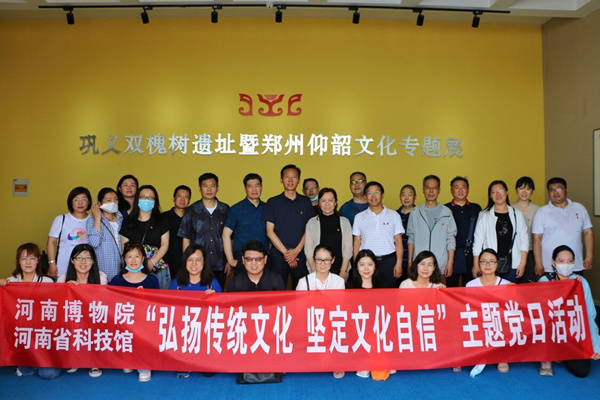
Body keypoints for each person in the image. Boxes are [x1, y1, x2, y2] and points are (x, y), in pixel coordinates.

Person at [538, 245, 600, 377]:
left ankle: (562, 355)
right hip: (552, 331)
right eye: (561, 261)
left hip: (573, 332)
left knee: (581, 371)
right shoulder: (545, 281)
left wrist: (595, 345)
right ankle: (547, 357)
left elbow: (589, 315)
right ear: (553, 262)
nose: (566, 264)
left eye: (570, 261)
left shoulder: (581, 282)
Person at [0, 243, 60, 379]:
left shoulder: (47, 282)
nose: (28, 262)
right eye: (24, 258)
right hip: (20, 333)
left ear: (38, 260)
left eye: (32, 258)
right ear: (18, 261)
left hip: (42, 334)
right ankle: (26, 359)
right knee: (26, 370)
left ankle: (41, 359)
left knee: (49, 374)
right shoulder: (10, 282)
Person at [170, 244, 221, 379]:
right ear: (185, 262)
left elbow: (222, 312)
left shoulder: (212, 284)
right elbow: (168, 310)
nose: (194, 264)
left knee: (209, 372)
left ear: (204, 262)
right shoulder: (176, 284)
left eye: (198, 260)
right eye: (190, 260)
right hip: (183, 332)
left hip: (206, 333)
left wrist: (214, 298)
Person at [110, 242, 159, 382]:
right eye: (129, 256)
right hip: (123, 323)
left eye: (137, 256)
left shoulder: (151, 280)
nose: (133, 260)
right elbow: (110, 304)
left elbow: (158, 306)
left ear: (143, 258)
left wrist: (145, 297)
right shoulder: (117, 280)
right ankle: (128, 358)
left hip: (145, 324)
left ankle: (144, 364)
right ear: (124, 259)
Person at [57, 244, 107, 378]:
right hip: (72, 319)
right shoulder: (63, 279)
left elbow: (103, 303)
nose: (83, 262)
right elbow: (57, 306)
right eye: (79, 258)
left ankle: (94, 361)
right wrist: (66, 290)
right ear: (72, 261)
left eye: (87, 258)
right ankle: (73, 357)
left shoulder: (101, 278)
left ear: (93, 261)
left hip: (93, 318)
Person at [296, 244, 345, 378]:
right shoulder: (304, 282)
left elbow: (339, 307)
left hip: (331, 323)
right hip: (310, 322)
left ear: (332, 260)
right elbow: (299, 309)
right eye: (319, 260)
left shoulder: (339, 281)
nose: (323, 263)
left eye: (326, 260)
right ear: (314, 260)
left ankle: (335, 360)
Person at [262, 164, 314, 289]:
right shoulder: (273, 202)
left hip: (300, 253)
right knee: (277, 290)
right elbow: (269, 231)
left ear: (299, 180)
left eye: (294, 177)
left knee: (302, 290)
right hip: (278, 255)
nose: (290, 180)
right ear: (281, 179)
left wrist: (296, 251)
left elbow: (309, 229)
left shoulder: (305, 202)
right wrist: (287, 254)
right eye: (287, 177)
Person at [346, 249, 393, 379]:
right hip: (358, 329)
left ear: (375, 266)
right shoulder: (350, 286)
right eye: (362, 264)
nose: (366, 268)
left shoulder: (383, 285)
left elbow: (388, 311)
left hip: (379, 329)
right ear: (356, 267)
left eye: (370, 264)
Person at [532, 177, 594, 276]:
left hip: (575, 264)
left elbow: (588, 232)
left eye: (559, 188)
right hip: (549, 266)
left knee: (576, 286)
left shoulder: (579, 208)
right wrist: (538, 263)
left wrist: (589, 257)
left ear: (566, 190)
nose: (555, 192)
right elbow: (536, 238)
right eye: (551, 190)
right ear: (548, 192)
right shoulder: (542, 212)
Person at [179, 173, 230, 289]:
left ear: (217, 188)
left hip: (220, 264)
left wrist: (229, 261)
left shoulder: (225, 209)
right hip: (196, 266)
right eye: (205, 186)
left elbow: (230, 237)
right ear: (199, 188)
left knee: (217, 294)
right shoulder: (191, 210)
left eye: (212, 186)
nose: (209, 189)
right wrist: (187, 261)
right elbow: (186, 238)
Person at [472, 180, 528, 283]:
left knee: (510, 291)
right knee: (491, 291)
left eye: (501, 190)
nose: (498, 194)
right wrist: (476, 264)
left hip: (513, 263)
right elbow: (478, 242)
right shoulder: (484, 215)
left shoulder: (517, 214)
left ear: (507, 192)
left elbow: (524, 240)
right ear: (490, 196)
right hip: (490, 264)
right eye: (494, 192)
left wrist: (522, 263)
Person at [466, 248, 512, 373]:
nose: (487, 265)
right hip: (480, 320)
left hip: (499, 322)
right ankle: (480, 353)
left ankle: (502, 356)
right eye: (483, 261)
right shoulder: (470, 285)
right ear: (479, 263)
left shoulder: (507, 285)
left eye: (492, 261)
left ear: (497, 264)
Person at [353, 181, 404, 288]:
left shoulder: (394, 215)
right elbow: (357, 242)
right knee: (368, 294)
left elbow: (398, 241)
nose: (373, 196)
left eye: (376, 192)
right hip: (367, 264)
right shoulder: (359, 217)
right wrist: (355, 265)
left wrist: (398, 263)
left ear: (382, 195)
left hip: (389, 261)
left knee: (389, 294)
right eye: (369, 193)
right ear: (365, 196)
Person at [120, 185, 170, 289]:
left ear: (155, 201)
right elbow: (125, 246)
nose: (146, 200)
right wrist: (136, 263)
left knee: (157, 297)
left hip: (157, 268)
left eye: (150, 198)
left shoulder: (162, 220)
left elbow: (165, 244)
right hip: (133, 269)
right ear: (137, 199)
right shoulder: (128, 221)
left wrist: (152, 262)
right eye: (143, 197)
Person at [406, 175, 457, 279]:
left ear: (439, 190)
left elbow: (451, 239)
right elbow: (411, 239)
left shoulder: (447, 212)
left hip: (440, 265)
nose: (431, 191)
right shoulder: (415, 213)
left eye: (434, 188)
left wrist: (450, 262)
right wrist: (410, 262)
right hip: (419, 264)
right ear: (423, 190)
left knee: (439, 289)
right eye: (428, 187)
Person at [222, 173, 269, 277]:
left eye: (257, 185)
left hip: (263, 259)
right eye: (250, 186)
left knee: (264, 287)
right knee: (242, 287)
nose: (254, 189)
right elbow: (226, 234)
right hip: (243, 258)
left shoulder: (268, 208)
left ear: (261, 187)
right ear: (245, 189)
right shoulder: (236, 209)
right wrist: (231, 260)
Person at [304, 188, 352, 280]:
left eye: (330, 200)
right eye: (323, 201)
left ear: (335, 202)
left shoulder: (344, 222)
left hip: (340, 269)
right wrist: (314, 270)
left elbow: (348, 248)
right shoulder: (312, 223)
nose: (327, 204)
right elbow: (308, 249)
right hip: (318, 270)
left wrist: (344, 270)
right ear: (319, 203)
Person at [46, 186, 92, 278]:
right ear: (71, 202)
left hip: (87, 270)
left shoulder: (94, 220)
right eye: (76, 200)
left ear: (89, 202)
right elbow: (51, 242)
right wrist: (52, 263)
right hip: (63, 269)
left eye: (84, 199)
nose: (80, 203)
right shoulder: (61, 219)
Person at [445, 176, 481, 287]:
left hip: (471, 255)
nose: (460, 190)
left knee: (471, 288)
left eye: (463, 187)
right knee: (451, 288)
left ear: (468, 190)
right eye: (457, 187)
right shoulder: (445, 209)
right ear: (451, 190)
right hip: (450, 255)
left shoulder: (476, 208)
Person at [87, 187, 123, 281]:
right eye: (109, 200)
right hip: (102, 273)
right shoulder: (92, 220)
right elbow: (94, 243)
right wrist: (97, 218)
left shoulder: (122, 219)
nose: (113, 202)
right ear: (100, 203)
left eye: (115, 199)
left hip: (122, 271)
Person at [512, 176, 540, 283]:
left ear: (532, 191)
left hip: (531, 253)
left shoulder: (538, 210)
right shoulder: (509, 207)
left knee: (528, 284)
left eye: (528, 189)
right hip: (513, 252)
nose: (524, 192)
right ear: (516, 190)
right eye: (521, 188)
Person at [162, 185, 191, 280]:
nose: (182, 199)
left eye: (186, 197)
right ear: (174, 198)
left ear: (189, 200)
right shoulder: (163, 218)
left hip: (188, 264)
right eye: (180, 196)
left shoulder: (193, 218)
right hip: (167, 264)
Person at [397, 184, 416, 283]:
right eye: (403, 194)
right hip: (398, 261)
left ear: (415, 197)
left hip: (415, 260)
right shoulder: (394, 215)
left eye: (410, 194)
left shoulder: (420, 215)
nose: (406, 197)